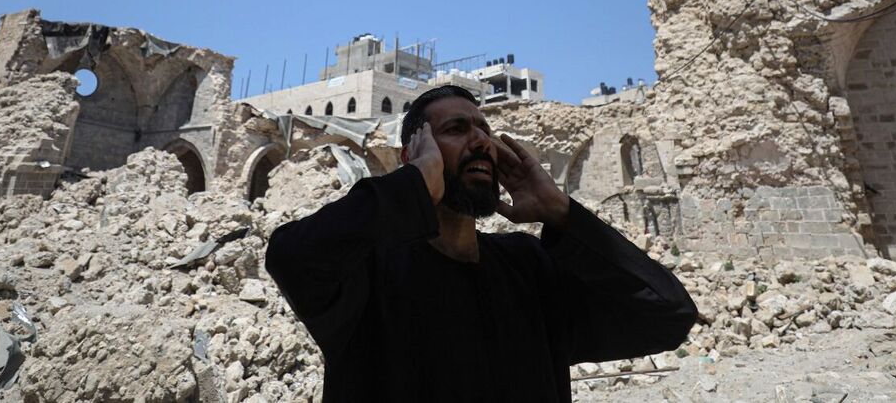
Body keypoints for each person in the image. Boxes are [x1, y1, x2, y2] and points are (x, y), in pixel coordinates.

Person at [266, 84, 696, 403]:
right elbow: (291, 257)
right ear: (413, 155)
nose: (481, 142)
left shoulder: (529, 269)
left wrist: (562, 213)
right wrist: (414, 184)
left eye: (484, 130)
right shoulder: (369, 273)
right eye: (457, 129)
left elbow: (667, 315)